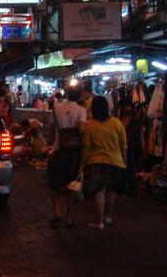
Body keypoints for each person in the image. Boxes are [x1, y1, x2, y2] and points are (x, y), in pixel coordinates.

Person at [80, 96, 127, 230]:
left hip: (96, 162)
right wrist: (124, 162)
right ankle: (107, 217)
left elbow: (86, 148)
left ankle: (98, 221)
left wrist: (82, 164)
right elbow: (123, 145)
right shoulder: (117, 123)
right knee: (111, 190)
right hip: (115, 162)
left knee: (98, 191)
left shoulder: (90, 125)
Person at [48, 85, 87, 228]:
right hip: (74, 154)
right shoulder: (82, 110)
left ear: (67, 94)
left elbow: (51, 131)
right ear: (80, 95)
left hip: (59, 151)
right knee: (73, 186)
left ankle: (58, 211)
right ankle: (69, 217)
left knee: (54, 184)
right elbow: (82, 131)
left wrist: (53, 144)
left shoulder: (56, 107)